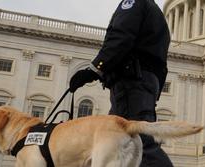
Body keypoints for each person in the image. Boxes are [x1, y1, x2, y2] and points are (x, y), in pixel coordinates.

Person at [69, 0, 172, 166]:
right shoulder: (155, 13)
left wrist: (94, 69)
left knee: (137, 141)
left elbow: (120, 37)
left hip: (131, 84)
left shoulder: (134, 3)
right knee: (116, 141)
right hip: (143, 83)